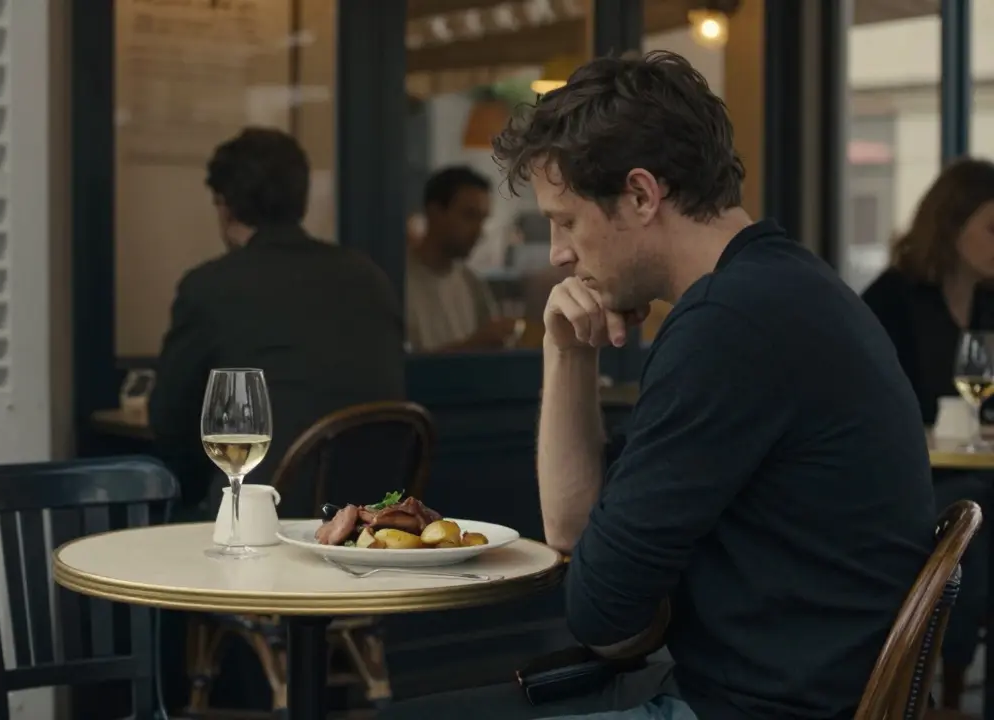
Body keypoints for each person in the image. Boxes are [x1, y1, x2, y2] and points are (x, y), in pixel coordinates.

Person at [383, 51, 935, 720]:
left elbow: (601, 616)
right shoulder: (784, 288)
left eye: (566, 220)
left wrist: (634, 600)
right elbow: (575, 533)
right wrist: (567, 351)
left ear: (641, 195)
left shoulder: (728, 325)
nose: (559, 253)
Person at [148, 128, 405, 518]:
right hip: (375, 517)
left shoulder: (211, 286)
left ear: (224, 205)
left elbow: (170, 423)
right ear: (300, 201)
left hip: (262, 517)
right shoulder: (369, 277)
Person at [860, 157, 994, 709]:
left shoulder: (990, 299)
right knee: (981, 510)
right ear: (951, 223)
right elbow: (872, 414)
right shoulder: (891, 299)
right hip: (913, 481)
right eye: (993, 227)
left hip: (975, 470)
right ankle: (953, 683)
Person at [407, 166, 520, 351]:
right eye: (469, 216)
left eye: (482, 219)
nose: (479, 231)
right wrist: (471, 346)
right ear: (435, 213)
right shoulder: (399, 281)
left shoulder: (471, 283)